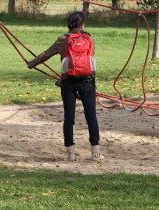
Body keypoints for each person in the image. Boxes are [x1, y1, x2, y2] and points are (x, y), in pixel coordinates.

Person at [27, 11, 103, 162]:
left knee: (69, 117)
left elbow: (45, 54)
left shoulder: (63, 39)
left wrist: (32, 63)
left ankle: (71, 154)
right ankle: (95, 153)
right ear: (83, 24)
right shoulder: (89, 38)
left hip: (68, 81)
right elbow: (91, 60)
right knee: (91, 116)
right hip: (87, 81)